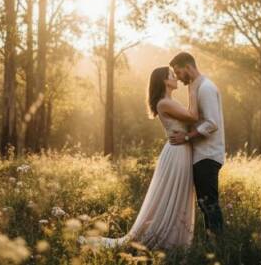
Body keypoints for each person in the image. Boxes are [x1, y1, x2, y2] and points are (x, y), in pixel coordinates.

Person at [81, 66, 198, 250]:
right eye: (172, 75)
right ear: (164, 81)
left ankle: (176, 238)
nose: (176, 77)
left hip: (181, 149)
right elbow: (193, 116)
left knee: (178, 193)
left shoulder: (170, 101)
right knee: (170, 194)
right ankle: (166, 238)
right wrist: (193, 87)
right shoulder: (164, 103)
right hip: (177, 152)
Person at [168, 51, 225, 237]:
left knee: (208, 203)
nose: (177, 76)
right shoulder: (196, 87)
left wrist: (186, 137)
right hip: (201, 154)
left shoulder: (205, 88)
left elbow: (212, 123)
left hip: (208, 155)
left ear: (188, 67)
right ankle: (213, 241)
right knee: (205, 203)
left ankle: (218, 244)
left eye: (178, 72)